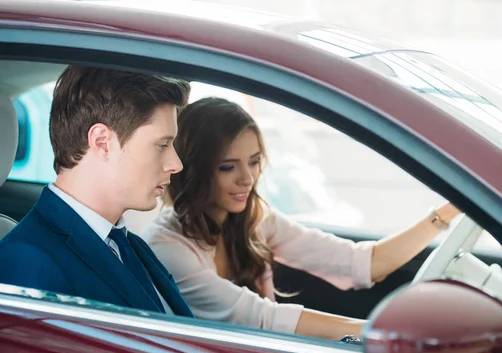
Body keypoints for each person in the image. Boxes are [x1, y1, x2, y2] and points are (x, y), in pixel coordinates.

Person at [142, 97, 460, 339]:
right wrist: (381, 334)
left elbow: (361, 262)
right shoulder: (168, 248)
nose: (247, 179)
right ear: (194, 170)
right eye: (228, 167)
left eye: (253, 162)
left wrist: (447, 213)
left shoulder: (256, 219)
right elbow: (262, 318)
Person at [0, 66, 194, 317]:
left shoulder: (133, 246)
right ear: (102, 142)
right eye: (162, 145)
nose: (175, 164)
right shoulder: (27, 262)